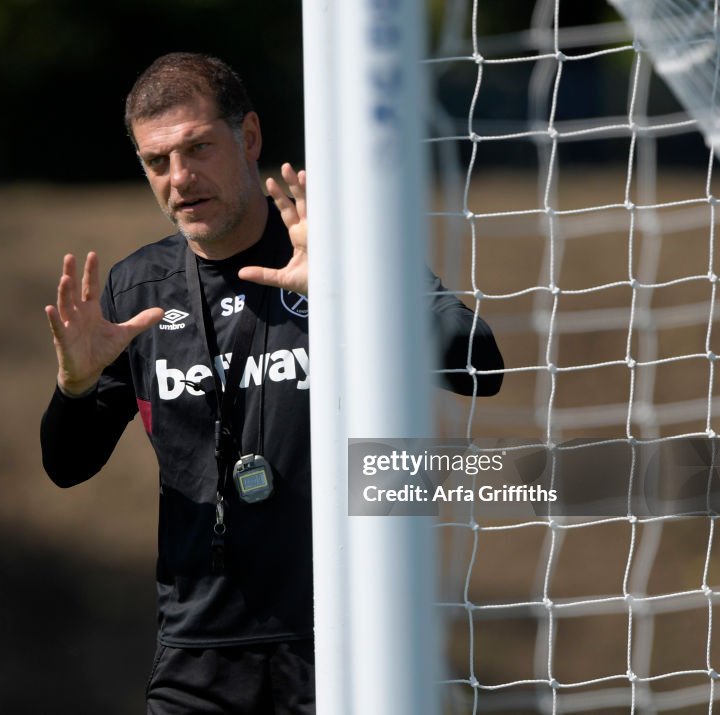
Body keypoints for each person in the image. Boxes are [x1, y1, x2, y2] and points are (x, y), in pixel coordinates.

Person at [40, 52, 504, 715]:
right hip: (196, 656)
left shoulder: (341, 253)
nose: (180, 178)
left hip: (347, 645)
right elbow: (66, 464)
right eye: (157, 161)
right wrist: (75, 387)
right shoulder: (135, 289)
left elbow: (481, 364)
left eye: (198, 147)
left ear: (249, 137)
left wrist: (352, 294)